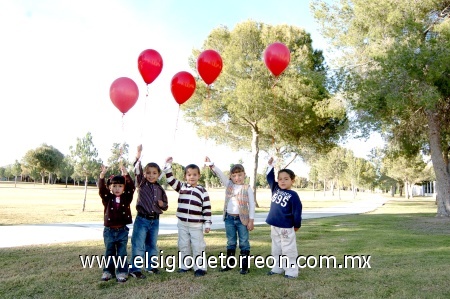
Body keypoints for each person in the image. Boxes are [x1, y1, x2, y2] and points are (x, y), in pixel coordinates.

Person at [205, 157, 255, 274]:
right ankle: (230, 264)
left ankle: (244, 267)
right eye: (234, 176)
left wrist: (251, 220)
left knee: (244, 242)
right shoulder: (229, 185)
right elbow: (220, 174)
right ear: (231, 177)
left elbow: (251, 205)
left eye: (239, 175)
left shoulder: (247, 188)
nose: (237, 178)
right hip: (229, 218)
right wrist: (212, 165)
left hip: (242, 219)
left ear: (244, 175)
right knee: (231, 241)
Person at [164, 157, 212, 277]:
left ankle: (200, 268)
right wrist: (168, 165)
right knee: (183, 244)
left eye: (194, 175)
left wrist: (207, 224)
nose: (192, 177)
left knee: (198, 245)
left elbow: (206, 208)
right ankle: (185, 265)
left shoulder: (202, 191)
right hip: (182, 223)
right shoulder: (182, 187)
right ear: (185, 176)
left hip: (196, 224)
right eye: (189, 174)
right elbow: (170, 179)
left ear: (199, 176)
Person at [129, 144, 168, 279]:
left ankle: (151, 266)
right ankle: (135, 269)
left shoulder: (160, 188)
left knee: (152, 245)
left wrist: (162, 204)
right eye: (148, 173)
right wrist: (138, 155)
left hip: (155, 220)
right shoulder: (142, 183)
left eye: (154, 173)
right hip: (142, 220)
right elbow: (137, 169)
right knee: (138, 245)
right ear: (144, 174)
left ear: (158, 175)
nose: (151, 175)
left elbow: (165, 205)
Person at [265, 157, 302, 279]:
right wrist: (271, 166)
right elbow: (269, 178)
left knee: (288, 249)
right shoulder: (275, 189)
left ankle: (291, 271)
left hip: (286, 227)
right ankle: (278, 267)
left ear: (292, 180)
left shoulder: (293, 195)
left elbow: (297, 211)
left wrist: (296, 225)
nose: (282, 181)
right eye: (280, 179)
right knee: (276, 248)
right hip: (274, 226)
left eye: (286, 179)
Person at [98, 164, 135, 283]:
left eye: (120, 186)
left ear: (123, 188)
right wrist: (102, 176)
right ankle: (108, 271)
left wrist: (126, 173)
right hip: (109, 231)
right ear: (110, 187)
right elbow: (101, 189)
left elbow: (131, 187)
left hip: (122, 231)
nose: (117, 188)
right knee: (109, 252)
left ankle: (122, 272)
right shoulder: (107, 198)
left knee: (122, 253)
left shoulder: (126, 198)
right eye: (114, 186)